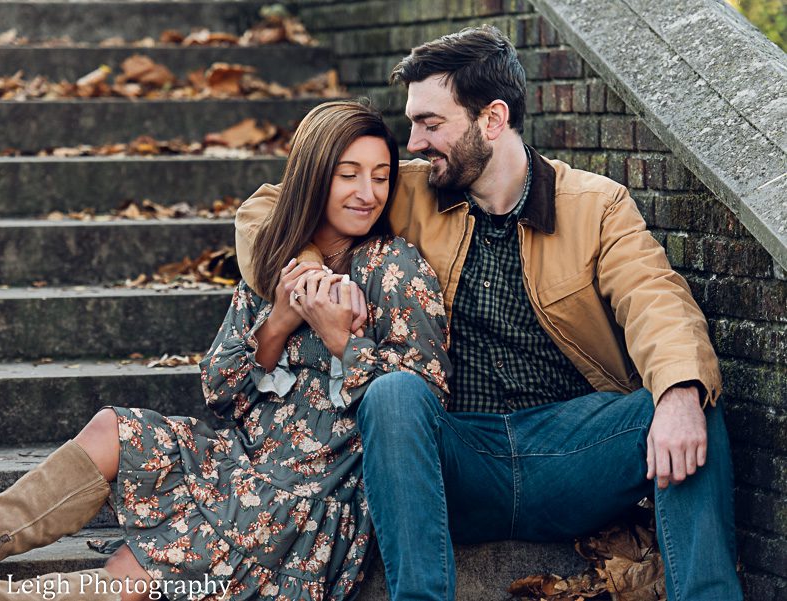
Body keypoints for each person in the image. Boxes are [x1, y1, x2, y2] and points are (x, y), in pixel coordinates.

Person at [234, 26, 742, 601]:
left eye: (431, 123)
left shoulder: (596, 206)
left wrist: (678, 393)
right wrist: (311, 275)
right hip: (455, 458)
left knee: (688, 397)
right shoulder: (411, 192)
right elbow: (270, 207)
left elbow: (656, 300)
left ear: (493, 119)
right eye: (413, 124)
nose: (414, 142)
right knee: (394, 394)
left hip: (571, 453)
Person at [0, 101, 451, 601]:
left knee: (130, 575)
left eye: (381, 177)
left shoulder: (396, 269)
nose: (367, 193)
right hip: (237, 461)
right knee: (113, 430)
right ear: (311, 178)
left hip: (304, 502)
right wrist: (278, 322)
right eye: (348, 175)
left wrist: (341, 341)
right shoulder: (276, 261)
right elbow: (220, 392)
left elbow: (422, 404)